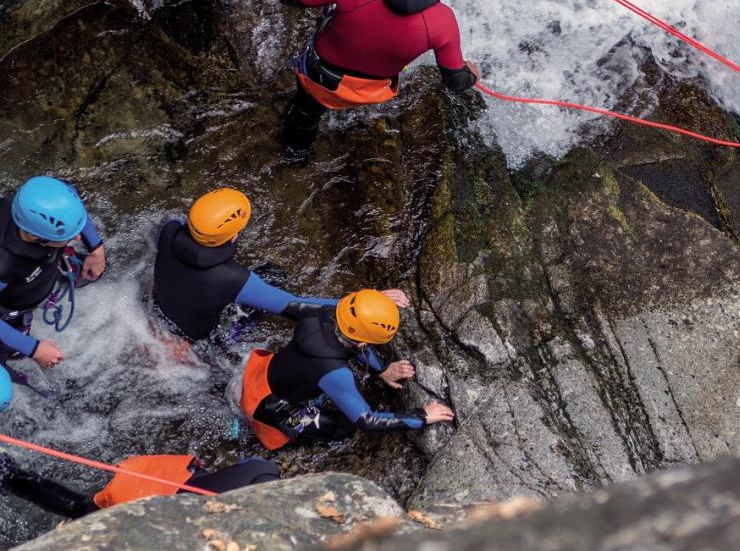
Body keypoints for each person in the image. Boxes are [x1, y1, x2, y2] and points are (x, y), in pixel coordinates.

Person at [277, 0, 480, 162]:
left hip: (319, 82)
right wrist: (473, 74)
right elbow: (457, 81)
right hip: (371, 93)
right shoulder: (443, 23)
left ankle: (295, 153)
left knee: (305, 112)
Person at [0, 366, 279, 518]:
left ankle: (11, 475)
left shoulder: (262, 472)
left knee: (85, 510)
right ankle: (10, 475)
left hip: (151, 488)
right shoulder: (258, 481)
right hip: (150, 494)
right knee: (84, 511)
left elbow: (256, 467)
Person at [151, 187, 409, 343]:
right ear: (232, 236)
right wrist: (362, 304)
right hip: (194, 342)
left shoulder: (169, 230)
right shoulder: (232, 278)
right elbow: (294, 306)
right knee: (273, 278)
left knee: (268, 275)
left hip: (155, 317)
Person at [239, 288, 453, 448]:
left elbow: (350, 320)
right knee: (344, 428)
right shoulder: (335, 373)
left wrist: (373, 304)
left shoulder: (321, 311)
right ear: (361, 343)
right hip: (270, 408)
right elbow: (368, 420)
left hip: (258, 373)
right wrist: (421, 416)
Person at [0, 177, 107, 371]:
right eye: (65, 235)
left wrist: (97, 249)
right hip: (11, 302)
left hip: (45, 266)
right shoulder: (5, 265)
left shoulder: (39, 200)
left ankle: (58, 271)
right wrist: (33, 348)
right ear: (35, 237)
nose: (77, 237)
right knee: (9, 351)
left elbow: (70, 195)